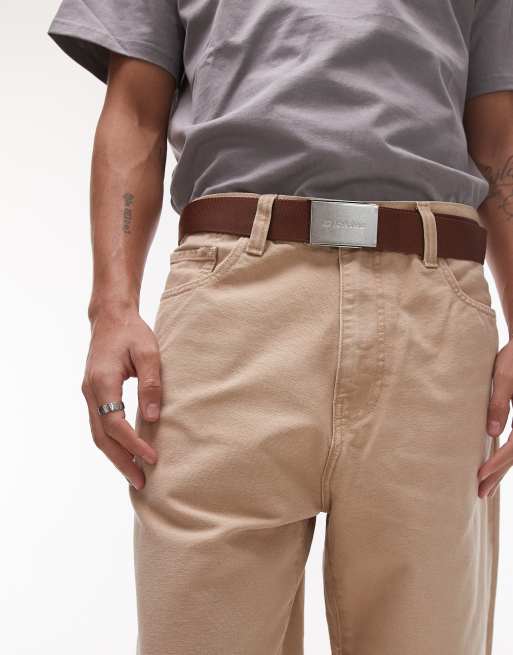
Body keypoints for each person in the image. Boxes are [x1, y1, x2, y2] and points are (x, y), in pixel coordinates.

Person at [47, 1, 513, 653]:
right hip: (231, 312)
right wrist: (111, 308)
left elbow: (497, 142)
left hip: (432, 321)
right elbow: (135, 110)